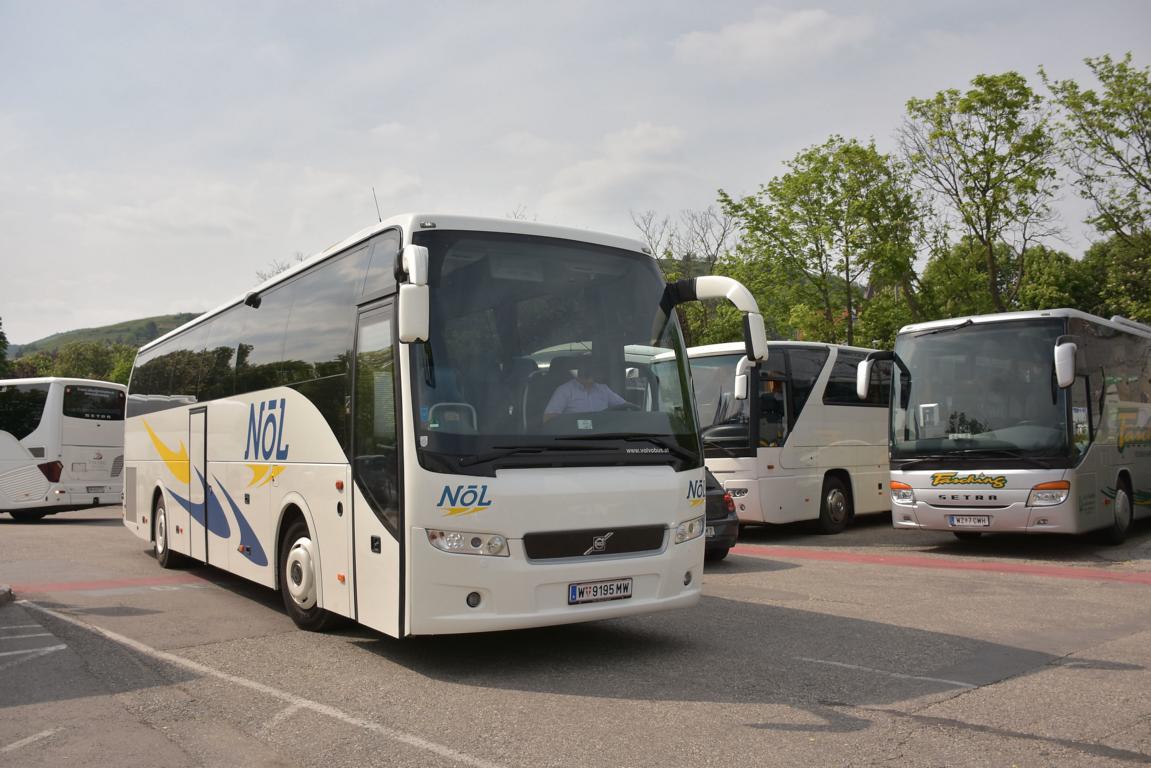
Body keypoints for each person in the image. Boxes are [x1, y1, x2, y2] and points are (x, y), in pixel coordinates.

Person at [543, 360, 628, 421]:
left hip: (603, 435)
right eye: (586, 369)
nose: (590, 372)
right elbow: (548, 419)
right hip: (573, 439)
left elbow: (625, 407)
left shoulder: (604, 389)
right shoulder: (564, 390)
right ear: (579, 371)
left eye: (593, 369)